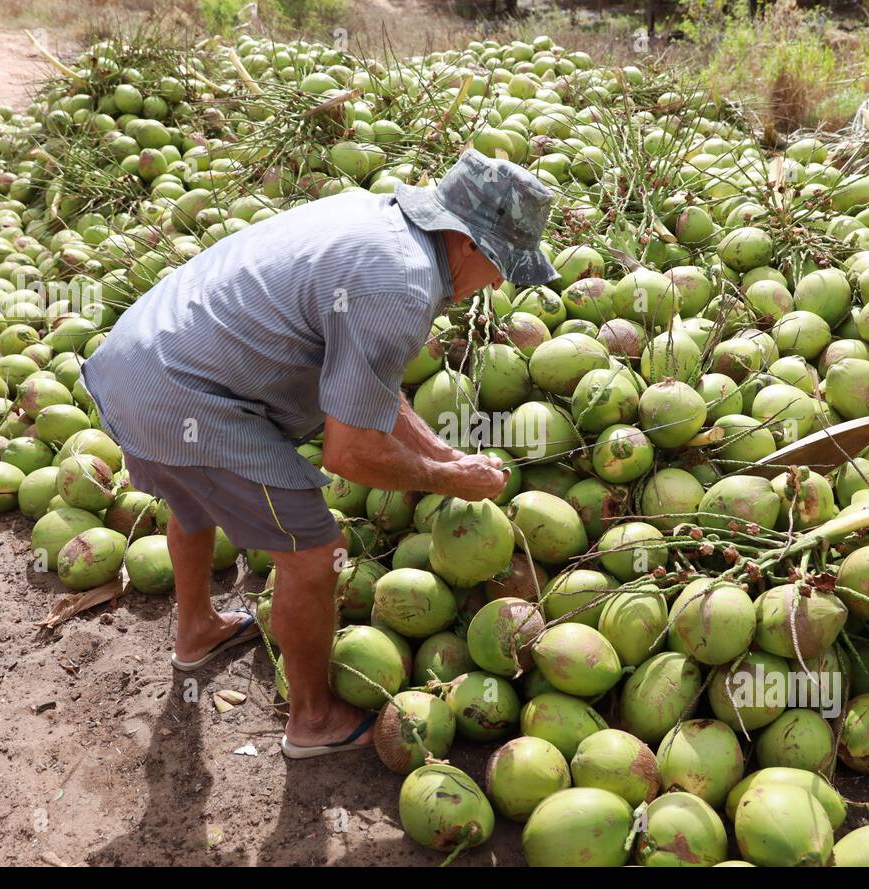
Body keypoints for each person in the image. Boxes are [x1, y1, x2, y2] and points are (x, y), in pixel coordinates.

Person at [81, 150, 558, 758]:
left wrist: (441, 451)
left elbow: (368, 386)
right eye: (500, 268)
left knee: (194, 494)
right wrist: (446, 480)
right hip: (184, 398)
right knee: (315, 552)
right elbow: (349, 454)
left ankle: (197, 630)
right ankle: (312, 721)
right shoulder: (402, 285)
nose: (495, 284)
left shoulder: (379, 219)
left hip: (138, 363)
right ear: (467, 243)